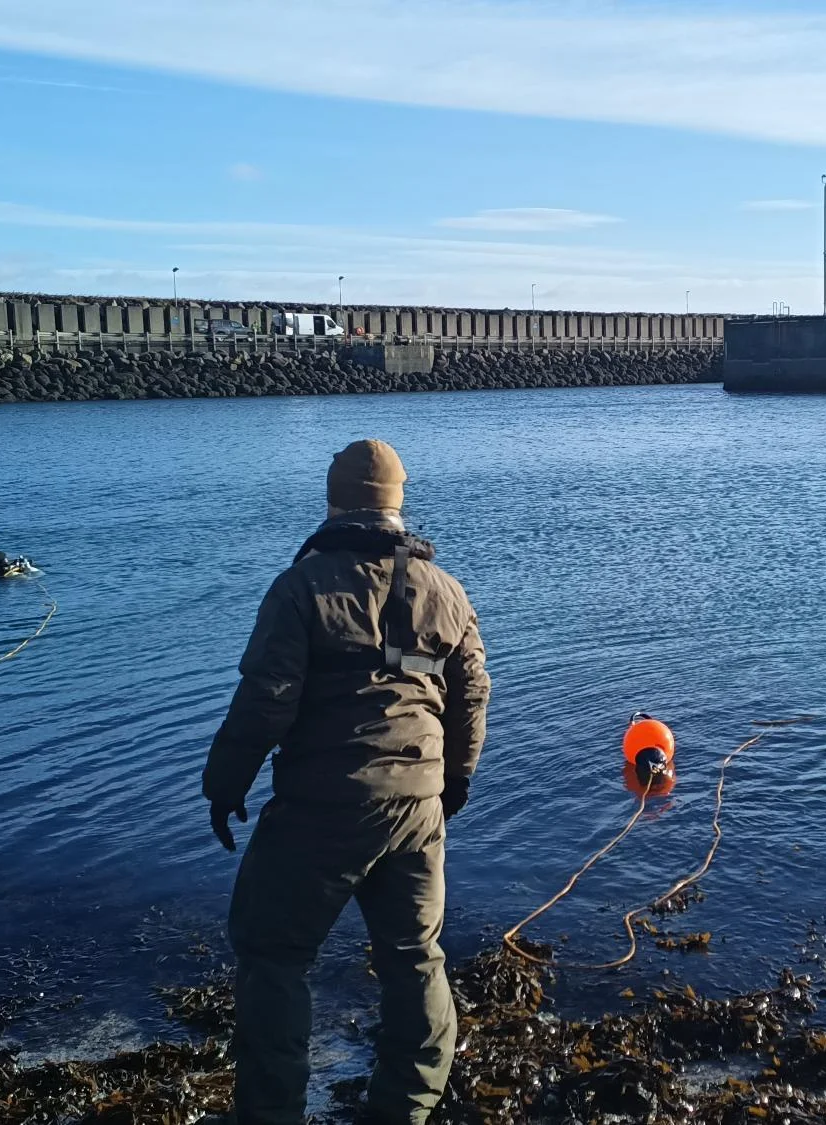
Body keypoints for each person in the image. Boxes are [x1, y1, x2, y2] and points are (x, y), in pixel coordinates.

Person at [201, 438, 490, 1125]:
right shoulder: (445, 591)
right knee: (415, 957)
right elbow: (473, 690)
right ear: (398, 504)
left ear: (334, 501)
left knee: (273, 955)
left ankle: (272, 1114)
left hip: (321, 808)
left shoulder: (301, 588)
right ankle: (405, 1110)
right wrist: (452, 781)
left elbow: (268, 697)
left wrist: (225, 782)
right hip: (417, 807)